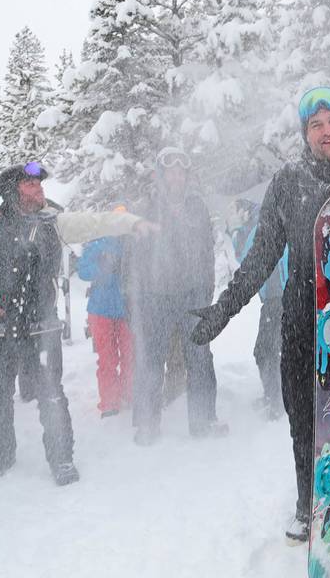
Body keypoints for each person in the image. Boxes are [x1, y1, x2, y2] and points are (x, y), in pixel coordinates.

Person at [190, 86, 330, 543]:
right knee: (303, 423)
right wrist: (224, 311)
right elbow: (261, 257)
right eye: (315, 125)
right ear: (306, 135)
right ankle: (307, 502)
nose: (325, 131)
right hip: (299, 324)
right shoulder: (287, 183)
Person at [0, 161, 149, 486]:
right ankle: (0, 455)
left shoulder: (53, 222)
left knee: (52, 396)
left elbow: (95, 222)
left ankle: (61, 459)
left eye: (39, 185)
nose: (40, 190)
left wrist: (130, 222)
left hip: (42, 328)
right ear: (11, 189)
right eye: (31, 185)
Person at [125, 147, 225, 444]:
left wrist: (207, 288)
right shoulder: (147, 207)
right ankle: (147, 424)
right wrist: (133, 297)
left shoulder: (196, 206)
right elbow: (132, 256)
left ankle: (203, 420)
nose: (176, 177)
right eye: (171, 172)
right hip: (156, 296)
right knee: (151, 359)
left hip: (193, 295)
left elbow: (207, 250)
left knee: (200, 357)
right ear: (161, 174)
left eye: (181, 172)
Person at [228, 198, 287, 419]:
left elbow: (246, 259)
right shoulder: (273, 221)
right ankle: (280, 397)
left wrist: (236, 232)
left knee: (264, 351)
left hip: (277, 298)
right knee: (282, 349)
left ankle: (276, 401)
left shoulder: (259, 227)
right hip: (285, 296)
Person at [77, 209, 134, 418]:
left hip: (128, 310)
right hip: (101, 311)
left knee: (131, 356)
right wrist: (102, 267)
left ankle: (130, 395)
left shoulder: (133, 244)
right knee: (107, 359)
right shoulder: (98, 243)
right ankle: (110, 402)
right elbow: (83, 270)